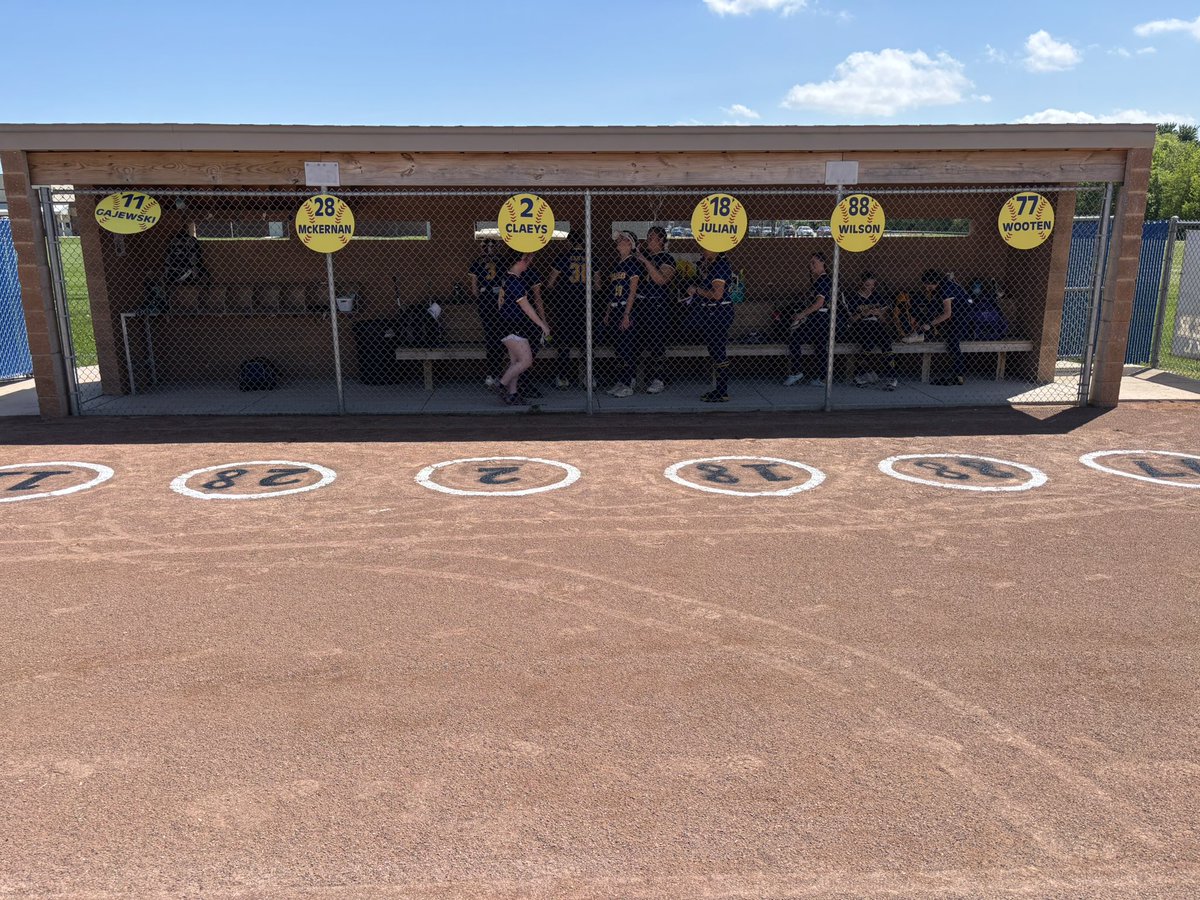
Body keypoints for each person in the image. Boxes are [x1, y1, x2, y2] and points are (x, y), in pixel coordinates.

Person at [495, 254, 551, 405]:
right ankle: (501, 384)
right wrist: (542, 325)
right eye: (525, 260)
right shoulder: (514, 281)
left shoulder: (508, 278)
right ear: (518, 262)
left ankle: (512, 394)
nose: (528, 263)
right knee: (526, 361)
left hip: (507, 324)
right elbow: (527, 308)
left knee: (516, 362)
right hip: (512, 325)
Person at [685, 247, 735, 402]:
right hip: (713, 313)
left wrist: (697, 290)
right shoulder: (713, 264)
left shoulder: (721, 265)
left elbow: (717, 294)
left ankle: (722, 390)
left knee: (718, 350)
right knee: (715, 350)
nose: (703, 250)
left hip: (719, 313)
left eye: (707, 248)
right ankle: (720, 389)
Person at [904, 269, 968, 386]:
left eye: (929, 286)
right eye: (925, 286)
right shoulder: (939, 288)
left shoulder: (945, 289)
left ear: (936, 282)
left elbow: (947, 313)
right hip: (955, 314)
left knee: (953, 342)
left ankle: (959, 375)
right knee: (930, 308)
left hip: (963, 315)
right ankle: (919, 334)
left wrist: (930, 324)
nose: (927, 288)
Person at [634, 226, 676, 394]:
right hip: (641, 305)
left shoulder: (667, 258)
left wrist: (645, 260)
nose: (648, 241)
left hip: (658, 306)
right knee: (637, 342)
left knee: (656, 343)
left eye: (651, 238)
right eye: (647, 237)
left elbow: (660, 279)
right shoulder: (644, 257)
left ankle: (659, 378)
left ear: (661, 240)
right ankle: (635, 377)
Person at [546, 228, 588, 388]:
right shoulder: (592, 258)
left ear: (569, 242)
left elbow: (550, 283)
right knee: (586, 342)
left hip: (566, 305)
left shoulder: (562, 258)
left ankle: (563, 377)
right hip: (585, 304)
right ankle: (588, 377)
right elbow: (597, 286)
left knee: (564, 342)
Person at [842, 271, 898, 391]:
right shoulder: (853, 297)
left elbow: (885, 321)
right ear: (861, 283)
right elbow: (851, 319)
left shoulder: (878, 296)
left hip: (876, 325)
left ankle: (891, 377)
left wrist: (879, 314)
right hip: (859, 326)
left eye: (872, 285)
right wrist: (864, 313)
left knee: (886, 342)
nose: (870, 288)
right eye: (867, 285)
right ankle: (861, 375)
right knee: (868, 342)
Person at [784, 253, 833, 387]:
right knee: (820, 346)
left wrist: (802, 314)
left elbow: (819, 303)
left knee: (795, 338)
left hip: (819, 317)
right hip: (822, 318)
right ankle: (822, 377)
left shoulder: (823, 280)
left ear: (823, 263)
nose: (811, 266)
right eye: (810, 263)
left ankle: (796, 371)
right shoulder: (819, 280)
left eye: (814, 263)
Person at [604, 231, 642, 398]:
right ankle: (622, 381)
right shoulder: (617, 265)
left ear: (629, 243)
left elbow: (632, 291)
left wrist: (627, 313)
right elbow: (612, 291)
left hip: (627, 309)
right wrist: (607, 312)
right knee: (619, 348)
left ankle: (628, 383)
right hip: (615, 307)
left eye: (622, 239)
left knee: (627, 347)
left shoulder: (632, 263)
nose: (618, 241)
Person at [467, 238, 505, 387]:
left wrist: (482, 296)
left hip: (486, 299)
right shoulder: (502, 261)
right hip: (497, 300)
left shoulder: (477, 262)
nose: (487, 249)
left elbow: (474, 289)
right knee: (497, 337)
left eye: (487, 246)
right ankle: (495, 373)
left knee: (492, 337)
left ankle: (492, 374)